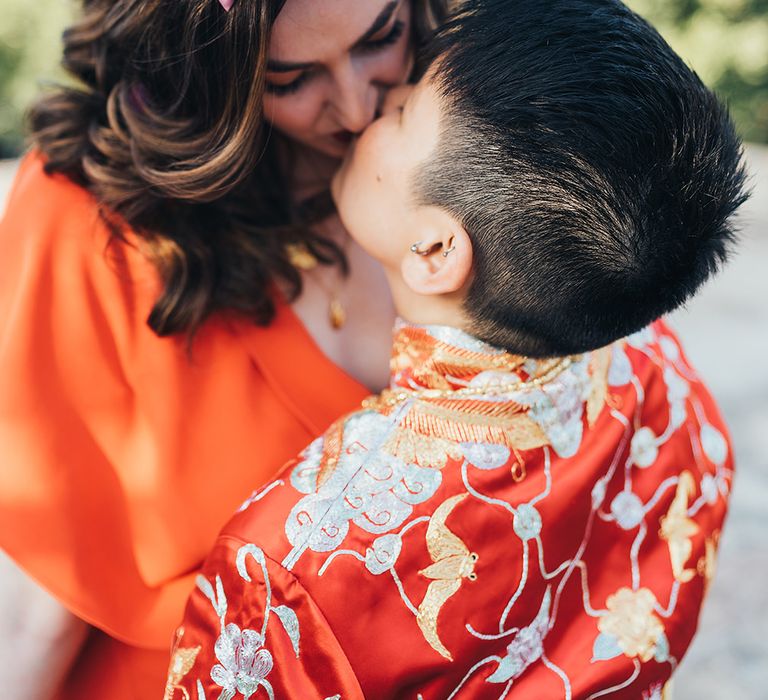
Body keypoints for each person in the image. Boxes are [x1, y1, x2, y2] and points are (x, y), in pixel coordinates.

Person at [167, 0, 748, 697]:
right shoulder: (674, 392)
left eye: (405, 111)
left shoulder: (291, 562)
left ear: (436, 248)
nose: (367, 112)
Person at [0, 0, 450, 698]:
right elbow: (36, 613)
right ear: (207, 72)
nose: (358, 108)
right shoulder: (86, 221)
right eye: (290, 79)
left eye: (382, 36)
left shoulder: (474, 149)